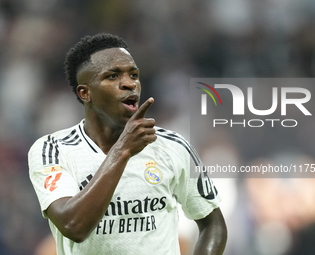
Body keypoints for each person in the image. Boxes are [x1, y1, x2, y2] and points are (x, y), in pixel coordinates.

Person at [28, 33, 227, 255]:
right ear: (85, 93)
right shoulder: (53, 149)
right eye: (112, 76)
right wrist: (122, 149)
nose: (129, 83)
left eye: (134, 74)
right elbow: (73, 226)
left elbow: (213, 224)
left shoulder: (173, 146)